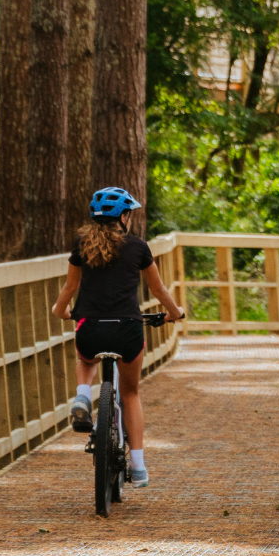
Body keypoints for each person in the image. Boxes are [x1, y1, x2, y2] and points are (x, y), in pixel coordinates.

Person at [51, 187, 184, 488]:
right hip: (127, 329)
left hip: (90, 327)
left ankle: (83, 396)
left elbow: (70, 288)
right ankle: (138, 466)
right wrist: (174, 313)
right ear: (123, 217)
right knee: (131, 393)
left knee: (86, 359)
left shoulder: (81, 244)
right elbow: (159, 290)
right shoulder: (138, 247)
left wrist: (60, 310)